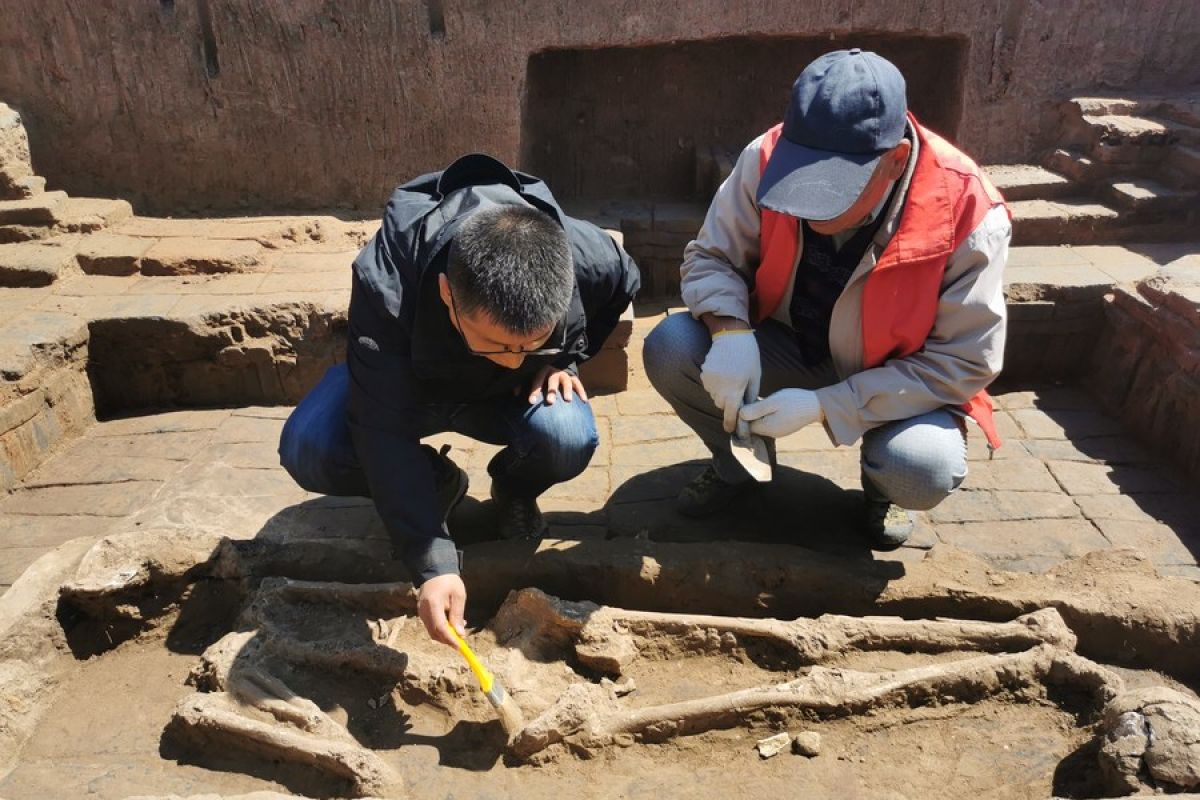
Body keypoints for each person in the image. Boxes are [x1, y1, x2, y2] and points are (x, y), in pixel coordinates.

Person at [643, 48, 1011, 549]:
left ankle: (883, 491)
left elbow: (963, 362)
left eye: (834, 189)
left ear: (895, 159)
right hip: (790, 343)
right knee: (671, 346)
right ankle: (738, 467)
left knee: (921, 467)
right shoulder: (767, 155)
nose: (810, 207)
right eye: (802, 179)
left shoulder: (968, 209)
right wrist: (729, 329)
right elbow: (711, 256)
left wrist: (826, 406)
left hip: (898, 376)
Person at [279, 154, 639, 646]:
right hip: (406, 386)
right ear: (448, 294)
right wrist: (432, 562)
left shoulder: (583, 254)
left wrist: (563, 359)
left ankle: (514, 490)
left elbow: (624, 280)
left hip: (504, 401)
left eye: (530, 342)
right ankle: (437, 484)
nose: (513, 360)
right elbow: (381, 427)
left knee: (567, 434)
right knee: (310, 446)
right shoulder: (387, 283)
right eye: (496, 343)